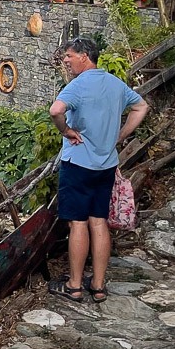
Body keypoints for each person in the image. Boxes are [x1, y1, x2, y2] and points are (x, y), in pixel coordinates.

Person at [49, 36, 148, 303]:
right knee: (99, 221)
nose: (66, 61)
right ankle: (100, 285)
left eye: (69, 56)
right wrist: (121, 134)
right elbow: (141, 106)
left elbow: (56, 110)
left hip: (78, 164)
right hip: (106, 164)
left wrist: (67, 130)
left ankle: (75, 285)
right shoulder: (116, 84)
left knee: (78, 223)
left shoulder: (78, 85)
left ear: (84, 56)